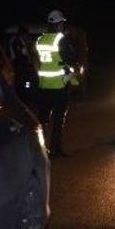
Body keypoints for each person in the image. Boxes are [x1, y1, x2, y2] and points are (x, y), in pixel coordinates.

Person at [35, 9, 81, 158]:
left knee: (42, 119)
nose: (63, 26)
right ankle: (56, 149)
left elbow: (37, 60)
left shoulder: (40, 40)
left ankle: (39, 149)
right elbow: (70, 58)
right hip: (60, 85)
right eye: (62, 23)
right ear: (59, 24)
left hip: (43, 85)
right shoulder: (61, 39)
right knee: (58, 119)